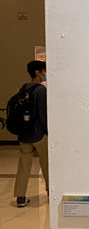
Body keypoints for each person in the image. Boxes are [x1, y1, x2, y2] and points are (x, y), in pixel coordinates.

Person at [13, 60, 48, 208]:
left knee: (23, 166)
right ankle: (51, 191)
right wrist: (46, 131)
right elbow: (43, 114)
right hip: (39, 135)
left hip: (24, 134)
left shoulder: (23, 88)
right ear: (37, 73)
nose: (45, 73)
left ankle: (20, 197)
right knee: (46, 164)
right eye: (44, 71)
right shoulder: (40, 90)